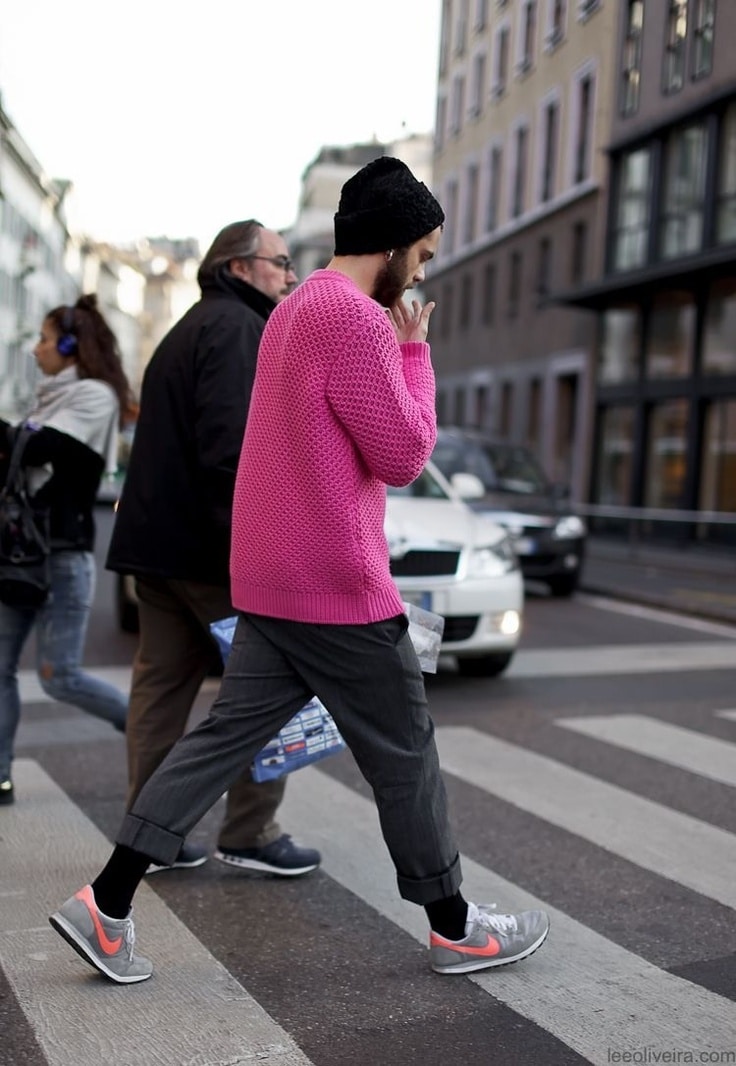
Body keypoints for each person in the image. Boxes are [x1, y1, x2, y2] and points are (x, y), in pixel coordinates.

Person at [50, 157, 550, 983]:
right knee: (407, 754)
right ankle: (457, 927)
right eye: (420, 255)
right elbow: (401, 453)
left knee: (215, 743)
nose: (420, 271)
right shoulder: (352, 319)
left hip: (275, 579)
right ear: (390, 246)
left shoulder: (293, 309)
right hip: (338, 585)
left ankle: (104, 905)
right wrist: (416, 355)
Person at [105, 220, 321, 877]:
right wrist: (266, 546)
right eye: (280, 262)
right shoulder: (239, 330)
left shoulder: (188, 329)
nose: (290, 275)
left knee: (160, 693)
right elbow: (234, 450)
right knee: (270, 685)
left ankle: (153, 833)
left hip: (159, 549)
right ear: (238, 267)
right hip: (214, 551)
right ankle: (251, 832)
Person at [0, 295, 131, 805]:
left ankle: (147, 736)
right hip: (19, 553)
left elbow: (40, 450)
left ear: (72, 346)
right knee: (0, 666)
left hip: (62, 555)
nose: (35, 350)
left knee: (60, 677)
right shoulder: (45, 398)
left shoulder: (94, 396)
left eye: (45, 339)